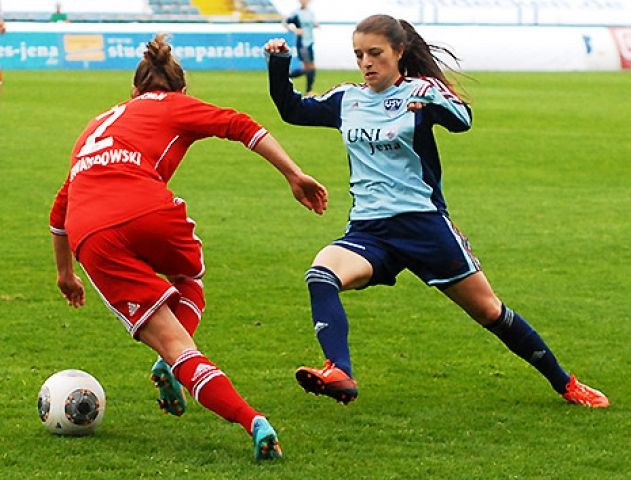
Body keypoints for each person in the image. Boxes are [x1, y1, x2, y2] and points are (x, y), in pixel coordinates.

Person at [264, 15, 609, 408]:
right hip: (369, 230)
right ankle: (339, 371)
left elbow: (462, 120)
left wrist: (432, 98)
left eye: (375, 53)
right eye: (359, 55)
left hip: (424, 227)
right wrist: (278, 64)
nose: (366, 63)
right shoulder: (348, 99)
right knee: (321, 275)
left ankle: (566, 383)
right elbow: (292, 109)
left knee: (490, 312)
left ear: (399, 52)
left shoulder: (420, 91)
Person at [50, 33, 328, 460]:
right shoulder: (178, 104)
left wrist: (65, 275)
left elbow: (58, 213)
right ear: (182, 90)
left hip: (89, 230)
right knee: (189, 275)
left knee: (177, 348)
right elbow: (243, 126)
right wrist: (294, 174)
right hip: (148, 209)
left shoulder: (94, 127)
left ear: (133, 91)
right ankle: (201, 381)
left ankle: (246, 414)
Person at [282, 0, 318, 96]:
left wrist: (316, 25)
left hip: (310, 42)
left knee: (309, 68)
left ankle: (284, 77)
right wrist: (295, 30)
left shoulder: (310, 13)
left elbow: (311, 25)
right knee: (309, 67)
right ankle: (308, 91)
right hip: (302, 43)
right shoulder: (296, 13)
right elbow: (285, 22)